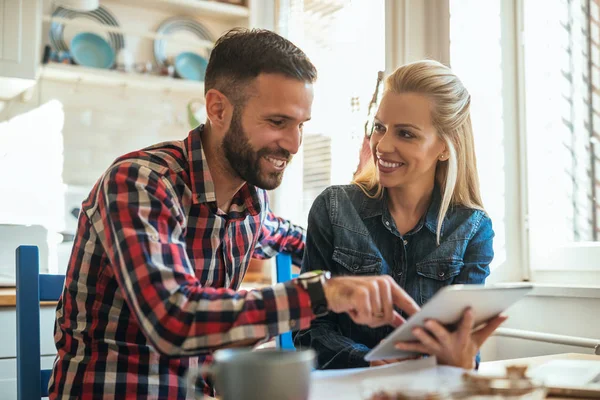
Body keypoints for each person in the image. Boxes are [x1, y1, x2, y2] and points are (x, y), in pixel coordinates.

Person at [48, 29, 423, 399]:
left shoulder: (249, 204)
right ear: (218, 109)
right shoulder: (141, 183)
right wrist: (322, 292)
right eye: (277, 122)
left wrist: (361, 262)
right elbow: (174, 321)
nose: (294, 144)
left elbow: (300, 240)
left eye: (300, 126)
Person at [295, 60, 506, 370]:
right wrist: (368, 361)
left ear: (445, 148)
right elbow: (309, 329)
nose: (383, 144)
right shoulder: (334, 207)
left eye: (406, 134)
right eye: (380, 127)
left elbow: (463, 344)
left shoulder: (472, 228)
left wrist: (462, 359)